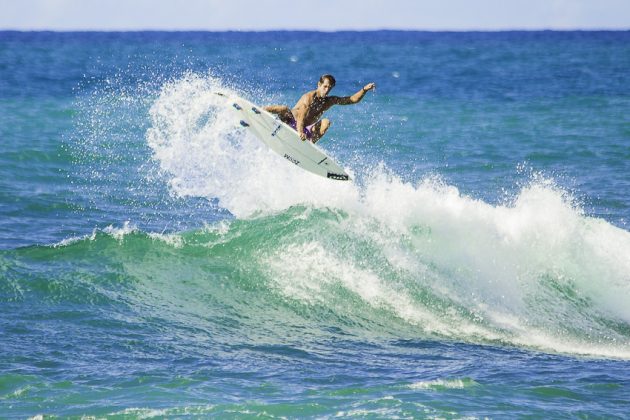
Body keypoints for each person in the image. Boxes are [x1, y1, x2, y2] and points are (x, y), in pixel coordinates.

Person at [264, 74, 376, 143]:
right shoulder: (309, 97)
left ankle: (310, 145)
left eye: (329, 88)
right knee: (283, 108)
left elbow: (351, 100)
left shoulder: (329, 101)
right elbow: (301, 116)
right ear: (319, 84)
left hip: (304, 131)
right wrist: (299, 132)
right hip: (290, 122)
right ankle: (260, 110)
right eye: (325, 87)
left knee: (326, 122)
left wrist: (364, 89)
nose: (326, 90)